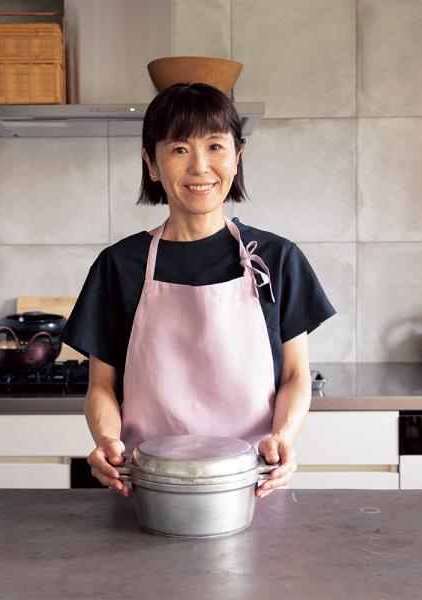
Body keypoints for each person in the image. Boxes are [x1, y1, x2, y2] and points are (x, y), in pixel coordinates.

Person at [60, 82, 336, 499]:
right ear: (151, 164)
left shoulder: (277, 258)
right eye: (179, 149)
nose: (200, 167)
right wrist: (106, 440)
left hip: (250, 488)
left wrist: (283, 437)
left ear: (237, 157)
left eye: (215, 147)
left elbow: (295, 376)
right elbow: (100, 385)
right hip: (147, 489)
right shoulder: (119, 266)